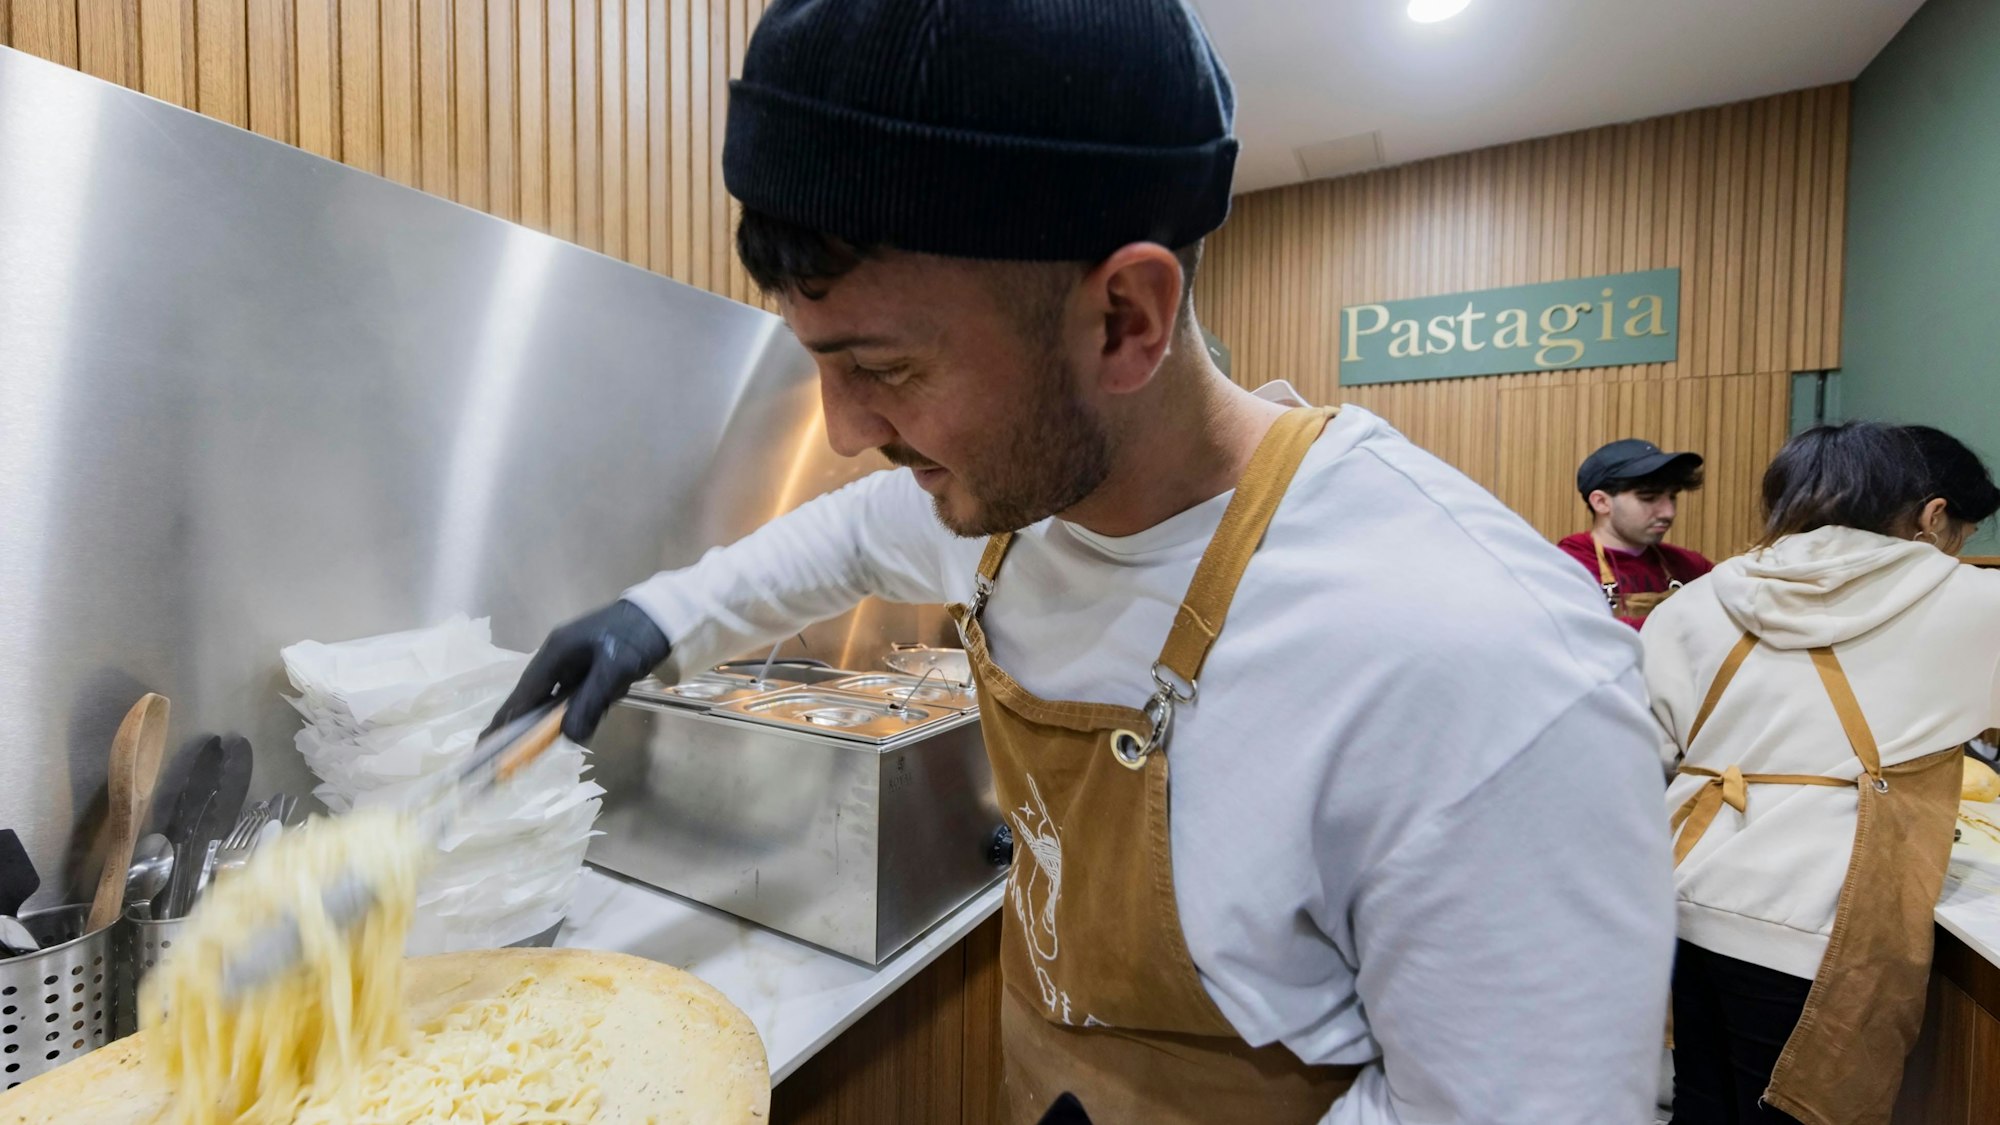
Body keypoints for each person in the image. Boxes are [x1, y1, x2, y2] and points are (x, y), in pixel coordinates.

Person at [491, 2, 1675, 1121]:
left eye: (886, 368)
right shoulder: (1018, 510)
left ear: (1125, 319)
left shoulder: (1478, 665)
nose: (844, 428)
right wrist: (657, 617)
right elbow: (851, 536)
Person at [1643, 423, 2000, 1124]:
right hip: (1821, 918)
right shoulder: (1971, 602)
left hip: (1685, 891)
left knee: (1704, 1100)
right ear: (1932, 516)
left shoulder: (1697, 597)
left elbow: (1644, 751)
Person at [1559, 439, 1714, 628]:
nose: (1669, 513)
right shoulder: (1566, 569)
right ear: (1601, 502)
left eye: (1672, 497)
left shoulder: (1690, 567)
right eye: (1649, 498)